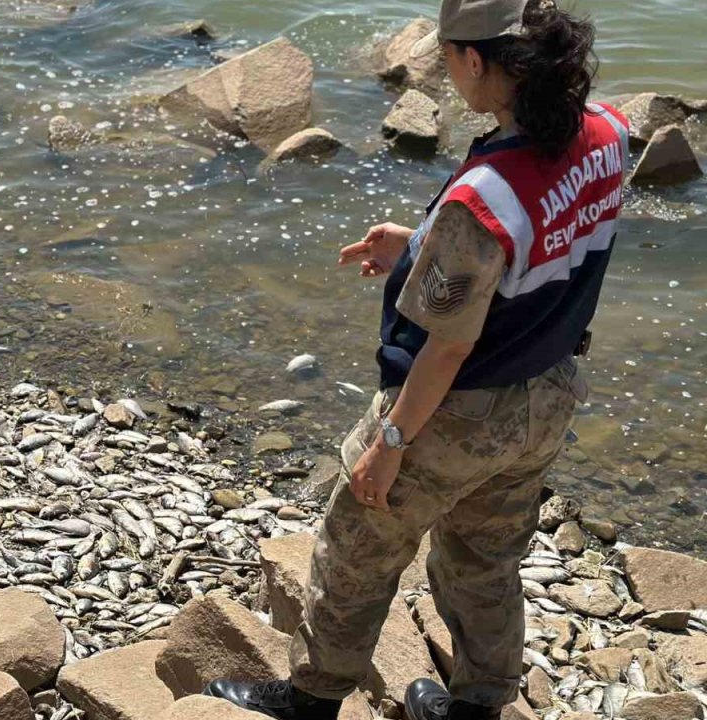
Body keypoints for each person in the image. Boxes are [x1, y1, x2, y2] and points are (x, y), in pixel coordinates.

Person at [206, 0, 627, 718]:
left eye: (450, 57)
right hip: (549, 395)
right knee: (486, 561)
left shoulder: (481, 197)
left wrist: (391, 443)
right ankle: (476, 707)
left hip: (458, 413)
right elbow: (540, 246)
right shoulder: (609, 134)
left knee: (356, 548)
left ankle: (312, 698)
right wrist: (420, 245)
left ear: (476, 61)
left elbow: (452, 342)